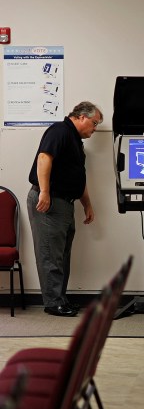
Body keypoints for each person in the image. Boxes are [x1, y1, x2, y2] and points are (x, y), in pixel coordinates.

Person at [27, 101, 102, 317]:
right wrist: (44, 192)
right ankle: (53, 303)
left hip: (65, 203)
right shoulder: (59, 130)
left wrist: (87, 203)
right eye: (94, 123)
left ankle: (60, 299)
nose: (95, 129)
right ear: (81, 117)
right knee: (50, 254)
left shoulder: (75, 141)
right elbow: (44, 157)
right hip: (50, 201)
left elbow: (79, 177)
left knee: (61, 255)